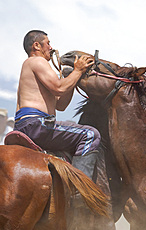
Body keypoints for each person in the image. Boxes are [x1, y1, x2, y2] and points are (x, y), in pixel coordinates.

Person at [14, 30, 101, 180]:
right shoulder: (37, 61)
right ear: (37, 45)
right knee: (90, 135)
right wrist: (78, 70)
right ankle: (80, 192)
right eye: (48, 43)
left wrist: (73, 77)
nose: (51, 47)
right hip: (37, 125)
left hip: (27, 125)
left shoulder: (31, 68)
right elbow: (59, 88)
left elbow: (61, 105)